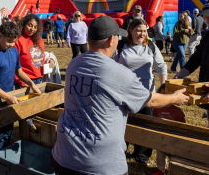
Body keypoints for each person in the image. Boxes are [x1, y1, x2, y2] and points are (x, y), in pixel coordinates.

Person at [51, 16, 189, 175]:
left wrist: (126, 84)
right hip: (99, 165)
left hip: (64, 154)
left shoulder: (74, 64)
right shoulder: (119, 73)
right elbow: (150, 101)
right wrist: (175, 98)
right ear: (111, 40)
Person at [0, 22, 41, 175]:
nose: (11, 44)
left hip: (9, 97)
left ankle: (4, 163)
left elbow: (19, 71)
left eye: (14, 41)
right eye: (8, 41)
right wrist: (7, 96)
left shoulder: (14, 50)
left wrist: (31, 83)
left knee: (7, 132)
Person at [114, 18, 167, 165]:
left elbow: (161, 66)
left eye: (144, 31)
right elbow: (111, 66)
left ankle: (142, 156)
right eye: (138, 30)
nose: (142, 33)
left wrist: (163, 85)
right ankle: (120, 152)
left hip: (146, 94)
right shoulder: (120, 46)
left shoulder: (151, 46)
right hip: (124, 94)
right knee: (123, 124)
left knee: (145, 126)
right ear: (130, 30)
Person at [174, 0, 209, 128]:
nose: (207, 20)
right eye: (205, 17)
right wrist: (183, 71)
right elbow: (196, 57)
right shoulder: (207, 35)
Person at [151, 84, 185, 175]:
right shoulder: (157, 109)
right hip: (161, 137)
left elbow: (183, 126)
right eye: (163, 95)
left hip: (174, 139)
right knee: (160, 153)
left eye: (168, 95)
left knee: (173, 155)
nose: (166, 98)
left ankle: (174, 170)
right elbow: (153, 120)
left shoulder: (178, 111)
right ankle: (161, 170)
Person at [14, 14, 52, 89]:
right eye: (30, 25)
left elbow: (42, 55)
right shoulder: (18, 40)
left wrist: (49, 60)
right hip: (25, 81)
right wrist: (20, 81)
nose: (32, 29)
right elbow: (13, 63)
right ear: (24, 24)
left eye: (35, 27)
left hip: (39, 79)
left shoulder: (39, 39)